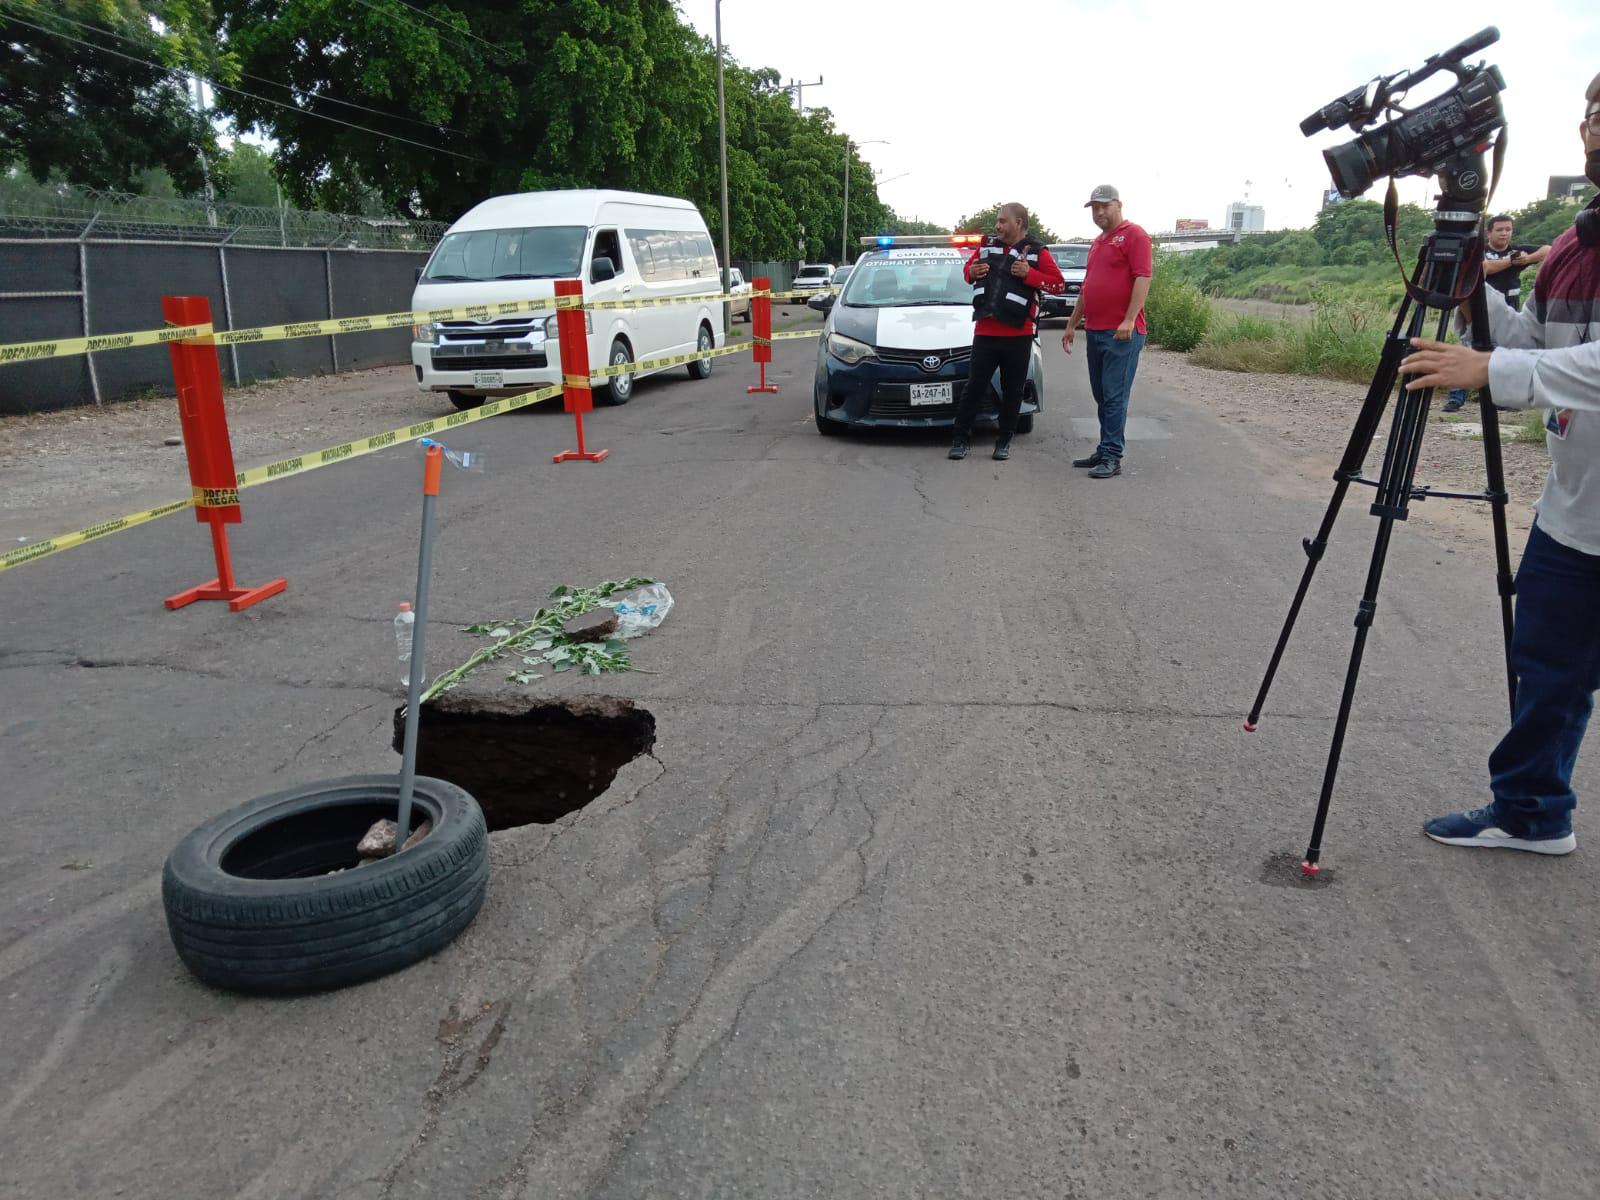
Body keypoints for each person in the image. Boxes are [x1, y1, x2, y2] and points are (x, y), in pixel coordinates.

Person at [1400, 71, 1600, 855]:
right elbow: (1526, 349)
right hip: (1575, 510)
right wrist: (1470, 295)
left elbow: (1520, 371)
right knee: (1547, 670)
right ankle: (1531, 812)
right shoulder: (1569, 255)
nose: (1594, 125)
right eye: (1590, 110)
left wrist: (1495, 375)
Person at [949, 203, 1064, 462]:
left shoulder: (1037, 251)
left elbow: (1057, 284)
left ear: (1019, 223)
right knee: (974, 387)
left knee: (1012, 390)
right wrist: (972, 271)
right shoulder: (987, 245)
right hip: (986, 331)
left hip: (1019, 333)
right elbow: (967, 272)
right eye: (997, 221)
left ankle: (1003, 442)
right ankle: (959, 439)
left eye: (1002, 221)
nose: (997, 226)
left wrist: (1030, 274)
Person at [1060, 185, 1153, 478]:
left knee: (1114, 395)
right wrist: (1072, 323)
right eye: (1094, 208)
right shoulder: (1098, 243)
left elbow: (1143, 277)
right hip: (1096, 330)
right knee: (1102, 395)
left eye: (1104, 206)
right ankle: (1105, 447)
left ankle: (1112, 456)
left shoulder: (1134, 235)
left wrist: (1129, 319)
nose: (1099, 213)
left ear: (1118, 205)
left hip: (1122, 333)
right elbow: (1088, 288)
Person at [1442, 214, 1552, 412]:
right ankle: (1456, 397)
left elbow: (1548, 250)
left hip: (1511, 302)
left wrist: (1528, 258)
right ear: (1489, 232)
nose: (1504, 233)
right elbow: (1483, 267)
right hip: (1482, 304)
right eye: (1500, 229)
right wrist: (1511, 262)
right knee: (1471, 349)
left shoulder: (1517, 250)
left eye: (1508, 229)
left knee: (1509, 355)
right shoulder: (1480, 251)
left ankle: (1506, 398)